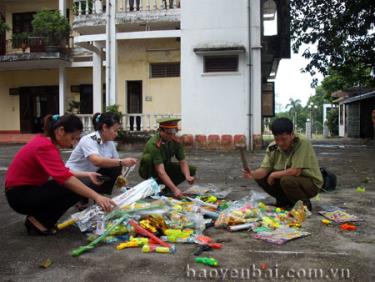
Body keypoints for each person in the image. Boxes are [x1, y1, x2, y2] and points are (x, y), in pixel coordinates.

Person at [5, 114, 116, 235]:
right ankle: (39, 221)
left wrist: (87, 174)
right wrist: (97, 197)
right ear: (61, 131)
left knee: (74, 185)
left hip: (22, 192)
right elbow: (66, 179)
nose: (73, 143)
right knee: (72, 188)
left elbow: (61, 171)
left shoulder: (44, 143)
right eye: (73, 138)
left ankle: (41, 218)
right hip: (20, 196)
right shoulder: (44, 147)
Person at [243, 118, 323, 211]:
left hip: (310, 184)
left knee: (287, 180)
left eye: (284, 139)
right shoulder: (272, 147)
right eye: (277, 139)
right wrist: (252, 174)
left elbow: (295, 171)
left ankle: (304, 206)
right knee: (260, 177)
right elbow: (264, 170)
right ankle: (284, 201)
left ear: (292, 135)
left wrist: (273, 175)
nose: (280, 143)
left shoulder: (301, 142)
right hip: (288, 181)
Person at [66, 112, 137, 197]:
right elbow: (96, 161)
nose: (116, 134)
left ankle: (102, 195)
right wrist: (122, 161)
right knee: (117, 163)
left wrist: (121, 177)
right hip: (75, 176)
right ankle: (86, 198)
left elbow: (116, 162)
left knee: (115, 166)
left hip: (92, 175)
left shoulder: (109, 143)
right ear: (104, 127)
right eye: (115, 130)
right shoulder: (89, 140)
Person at [138, 117, 196, 198]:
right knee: (147, 158)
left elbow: (183, 161)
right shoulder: (154, 144)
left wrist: (187, 176)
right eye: (169, 133)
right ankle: (152, 187)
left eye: (173, 133)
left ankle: (168, 189)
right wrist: (175, 190)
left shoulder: (176, 141)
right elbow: (160, 171)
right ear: (160, 131)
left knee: (191, 169)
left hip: (165, 166)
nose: (171, 136)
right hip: (151, 170)